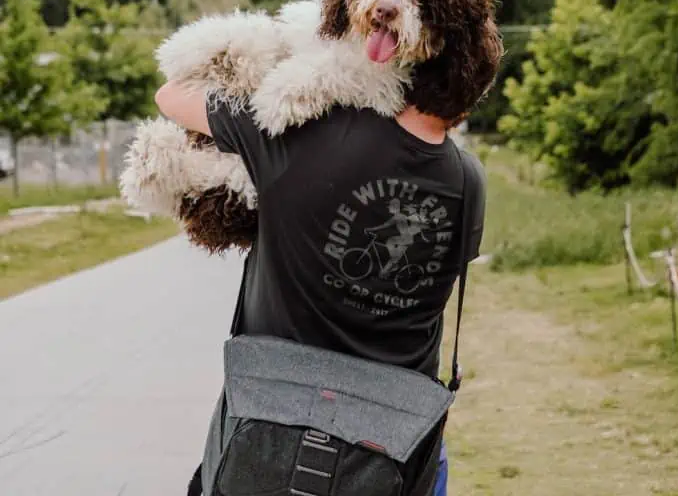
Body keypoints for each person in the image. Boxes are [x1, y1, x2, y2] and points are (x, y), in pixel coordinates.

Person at [157, 88, 486, 495]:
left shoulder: (301, 136)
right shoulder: (469, 180)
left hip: (267, 420)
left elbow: (171, 97)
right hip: (392, 442)